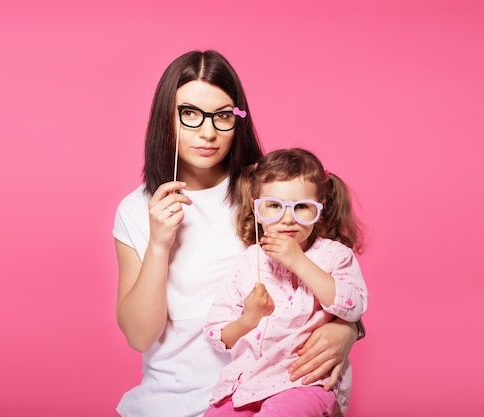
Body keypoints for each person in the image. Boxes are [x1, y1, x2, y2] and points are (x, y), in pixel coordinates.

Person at [112, 50, 362, 417]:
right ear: (166, 117)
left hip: (275, 393)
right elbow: (139, 336)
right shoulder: (137, 209)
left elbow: (334, 267)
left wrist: (348, 328)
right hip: (170, 403)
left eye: (223, 115)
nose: (208, 132)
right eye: (190, 114)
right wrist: (159, 245)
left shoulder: (265, 193)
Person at [203, 148, 368, 416]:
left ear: (321, 210)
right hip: (246, 382)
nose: (287, 219)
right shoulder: (247, 263)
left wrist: (299, 262)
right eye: (274, 207)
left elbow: (354, 306)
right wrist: (249, 319)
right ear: (258, 209)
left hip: (304, 381)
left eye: (302, 207)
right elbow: (216, 334)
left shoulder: (335, 255)